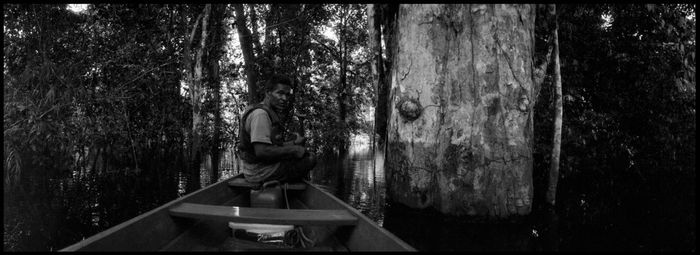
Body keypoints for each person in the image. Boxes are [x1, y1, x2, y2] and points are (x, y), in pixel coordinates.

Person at [237, 74, 316, 184]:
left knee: (298, 155)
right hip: (259, 172)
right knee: (310, 158)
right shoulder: (261, 115)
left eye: (287, 95)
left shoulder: (267, 111)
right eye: (280, 93)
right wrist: (294, 149)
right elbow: (262, 151)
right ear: (268, 93)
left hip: (258, 168)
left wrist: (294, 143)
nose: (284, 98)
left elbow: (272, 146)